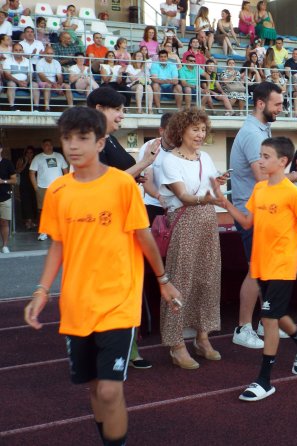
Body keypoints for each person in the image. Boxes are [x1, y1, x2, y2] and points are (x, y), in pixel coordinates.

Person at [23, 107, 180, 446]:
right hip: (77, 306)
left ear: (100, 142)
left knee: (110, 391)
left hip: (118, 301)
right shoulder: (58, 192)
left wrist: (163, 281)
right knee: (95, 388)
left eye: (82, 138)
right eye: (67, 138)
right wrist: (41, 290)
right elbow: (57, 246)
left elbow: (144, 237)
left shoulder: (122, 185)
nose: (73, 146)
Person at [211, 136, 297, 402]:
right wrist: (225, 204)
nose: (260, 161)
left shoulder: (291, 193)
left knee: (269, 318)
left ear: (282, 162)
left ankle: (264, 380)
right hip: (261, 264)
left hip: (283, 265)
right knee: (276, 311)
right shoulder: (260, 189)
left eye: (265, 157)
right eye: (260, 155)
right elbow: (248, 222)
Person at [229, 82, 297, 348]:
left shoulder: (260, 130)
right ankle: (242, 327)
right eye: (277, 104)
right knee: (255, 270)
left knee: (263, 269)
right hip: (255, 210)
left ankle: (265, 321)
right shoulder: (253, 134)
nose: (283, 108)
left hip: (262, 210)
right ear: (261, 104)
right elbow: (264, 178)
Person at [87, 87, 160, 368]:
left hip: (126, 222)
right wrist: (144, 163)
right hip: (106, 226)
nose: (121, 115)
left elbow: (126, 177)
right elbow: (106, 183)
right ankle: (110, 348)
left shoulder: (111, 141)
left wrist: (143, 174)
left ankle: (128, 346)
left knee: (129, 288)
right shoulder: (91, 141)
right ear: (98, 108)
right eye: (117, 109)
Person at [159, 109, 226, 369]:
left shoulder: (206, 157)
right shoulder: (169, 160)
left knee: (208, 279)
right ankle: (176, 344)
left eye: (202, 129)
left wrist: (217, 184)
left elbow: (210, 189)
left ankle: (203, 337)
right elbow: (184, 196)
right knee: (181, 281)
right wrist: (207, 197)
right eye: (194, 129)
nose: (200, 134)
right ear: (181, 130)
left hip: (208, 220)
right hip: (185, 223)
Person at [29, 138, 68, 241]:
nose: (49, 146)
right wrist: (35, 187)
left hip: (59, 188)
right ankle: (43, 232)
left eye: (50, 145)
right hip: (43, 187)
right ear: (42, 146)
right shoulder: (38, 158)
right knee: (43, 210)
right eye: (46, 145)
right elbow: (32, 172)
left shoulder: (59, 156)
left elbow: (65, 170)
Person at [3, 42, 40, 111]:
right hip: (13, 81)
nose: (18, 52)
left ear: (22, 51)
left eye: (20, 50)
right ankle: (12, 107)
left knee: (35, 85)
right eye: (16, 50)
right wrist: (18, 82)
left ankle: (36, 108)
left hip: (26, 82)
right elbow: (7, 75)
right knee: (11, 84)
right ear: (13, 51)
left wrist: (26, 82)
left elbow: (30, 74)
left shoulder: (27, 61)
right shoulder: (7, 61)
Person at [36, 47, 73, 111]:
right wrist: (53, 85)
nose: (50, 55)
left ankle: (71, 108)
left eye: (51, 53)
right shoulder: (40, 62)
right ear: (44, 54)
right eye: (48, 53)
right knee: (48, 85)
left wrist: (59, 84)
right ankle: (47, 108)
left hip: (54, 83)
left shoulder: (56, 62)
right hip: (43, 83)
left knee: (67, 86)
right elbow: (42, 77)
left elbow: (59, 76)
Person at [15, 145, 37, 230]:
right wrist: (25, 162)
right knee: (26, 203)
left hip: (33, 184)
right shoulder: (22, 159)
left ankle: (32, 221)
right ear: (25, 153)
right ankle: (28, 222)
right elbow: (17, 170)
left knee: (33, 202)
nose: (29, 154)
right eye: (27, 152)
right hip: (24, 185)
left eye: (31, 152)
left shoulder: (35, 160)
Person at [0, 143, 16, 253]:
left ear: (1, 149)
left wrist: (3, 181)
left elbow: (14, 180)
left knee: (4, 222)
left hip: (5, 197)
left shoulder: (7, 163)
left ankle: (5, 246)